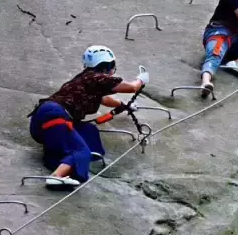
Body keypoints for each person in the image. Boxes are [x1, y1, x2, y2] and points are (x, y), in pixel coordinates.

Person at [27, 45, 148, 189]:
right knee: (80, 151)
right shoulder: (97, 78)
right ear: (107, 66)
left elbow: (103, 100)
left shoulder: (84, 80)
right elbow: (131, 88)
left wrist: (123, 105)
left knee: (88, 130)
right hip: (56, 116)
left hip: (41, 120)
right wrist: (140, 80)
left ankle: (66, 161)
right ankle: (56, 177)